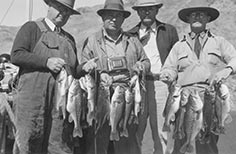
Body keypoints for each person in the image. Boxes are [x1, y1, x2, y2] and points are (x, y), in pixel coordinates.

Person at [160, 5, 236, 154]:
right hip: (184, 99)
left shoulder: (219, 42)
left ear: (208, 19)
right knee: (182, 141)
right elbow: (168, 67)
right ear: (188, 19)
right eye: (193, 15)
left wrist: (227, 70)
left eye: (201, 14)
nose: (197, 17)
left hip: (210, 97)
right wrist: (168, 75)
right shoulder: (178, 46)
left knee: (207, 143)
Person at [78, 0, 150, 154]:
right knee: (99, 139)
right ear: (102, 18)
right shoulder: (91, 41)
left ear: (123, 19)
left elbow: (145, 61)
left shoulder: (133, 40)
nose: (114, 19)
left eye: (118, 16)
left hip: (127, 93)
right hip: (101, 94)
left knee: (128, 140)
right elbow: (83, 66)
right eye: (109, 15)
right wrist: (95, 70)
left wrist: (141, 66)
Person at [10, 0, 81, 153]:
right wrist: (46, 61)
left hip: (59, 106)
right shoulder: (32, 28)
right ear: (49, 6)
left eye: (67, 11)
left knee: (58, 145)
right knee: (27, 143)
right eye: (59, 8)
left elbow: (74, 72)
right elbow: (16, 55)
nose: (63, 13)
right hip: (32, 103)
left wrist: (84, 69)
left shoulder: (70, 40)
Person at [127, 0, 179, 153]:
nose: (147, 12)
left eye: (150, 8)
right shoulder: (130, 35)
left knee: (163, 131)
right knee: (135, 129)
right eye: (142, 10)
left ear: (157, 10)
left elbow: (176, 58)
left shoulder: (168, 31)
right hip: (139, 86)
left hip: (161, 84)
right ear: (137, 12)